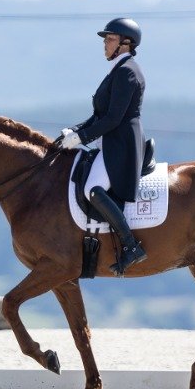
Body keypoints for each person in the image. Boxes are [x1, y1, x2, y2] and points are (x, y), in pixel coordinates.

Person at [58, 17, 148, 275]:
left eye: (110, 39)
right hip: (111, 140)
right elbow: (99, 115)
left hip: (121, 144)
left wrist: (81, 138)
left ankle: (131, 246)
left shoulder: (127, 71)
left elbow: (113, 119)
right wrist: (75, 130)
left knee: (92, 189)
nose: (105, 45)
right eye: (106, 40)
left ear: (125, 43)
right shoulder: (118, 70)